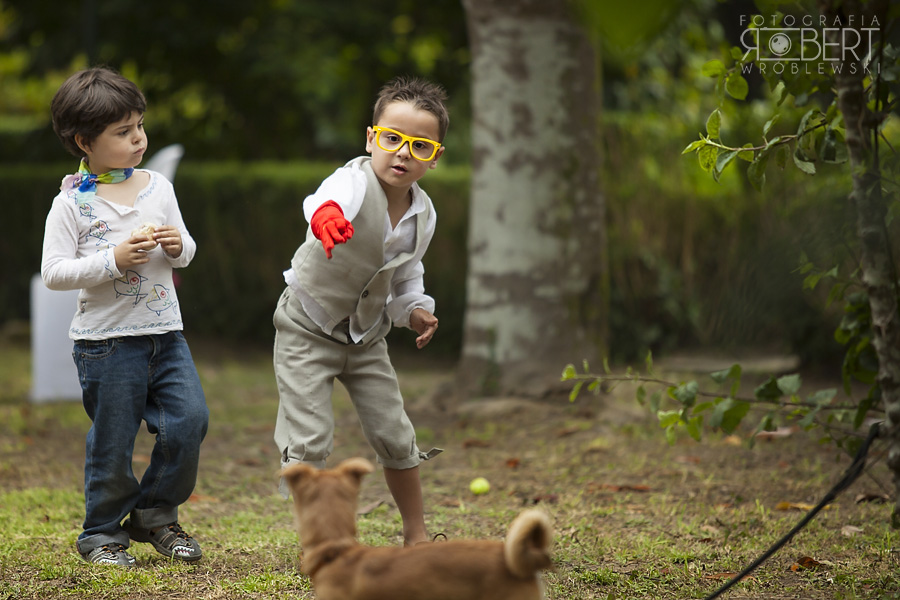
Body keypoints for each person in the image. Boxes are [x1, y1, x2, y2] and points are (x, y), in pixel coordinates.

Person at [41, 67, 208, 567]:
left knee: (189, 421)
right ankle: (101, 534)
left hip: (166, 335)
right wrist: (113, 260)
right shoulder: (71, 203)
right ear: (83, 141)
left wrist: (181, 247)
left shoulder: (157, 187)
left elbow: (184, 249)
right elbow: (54, 272)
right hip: (106, 343)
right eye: (123, 132)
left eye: (139, 125)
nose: (139, 138)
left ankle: (155, 514)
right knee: (113, 441)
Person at [273, 76, 448, 546]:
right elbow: (324, 199)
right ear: (372, 139)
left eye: (420, 146)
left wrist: (415, 310)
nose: (403, 153)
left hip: (365, 337)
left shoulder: (422, 216)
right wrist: (326, 215)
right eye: (392, 139)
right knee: (309, 437)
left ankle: (416, 535)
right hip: (307, 324)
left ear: (435, 157)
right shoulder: (352, 180)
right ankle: (318, 539)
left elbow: (406, 274)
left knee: (395, 432)